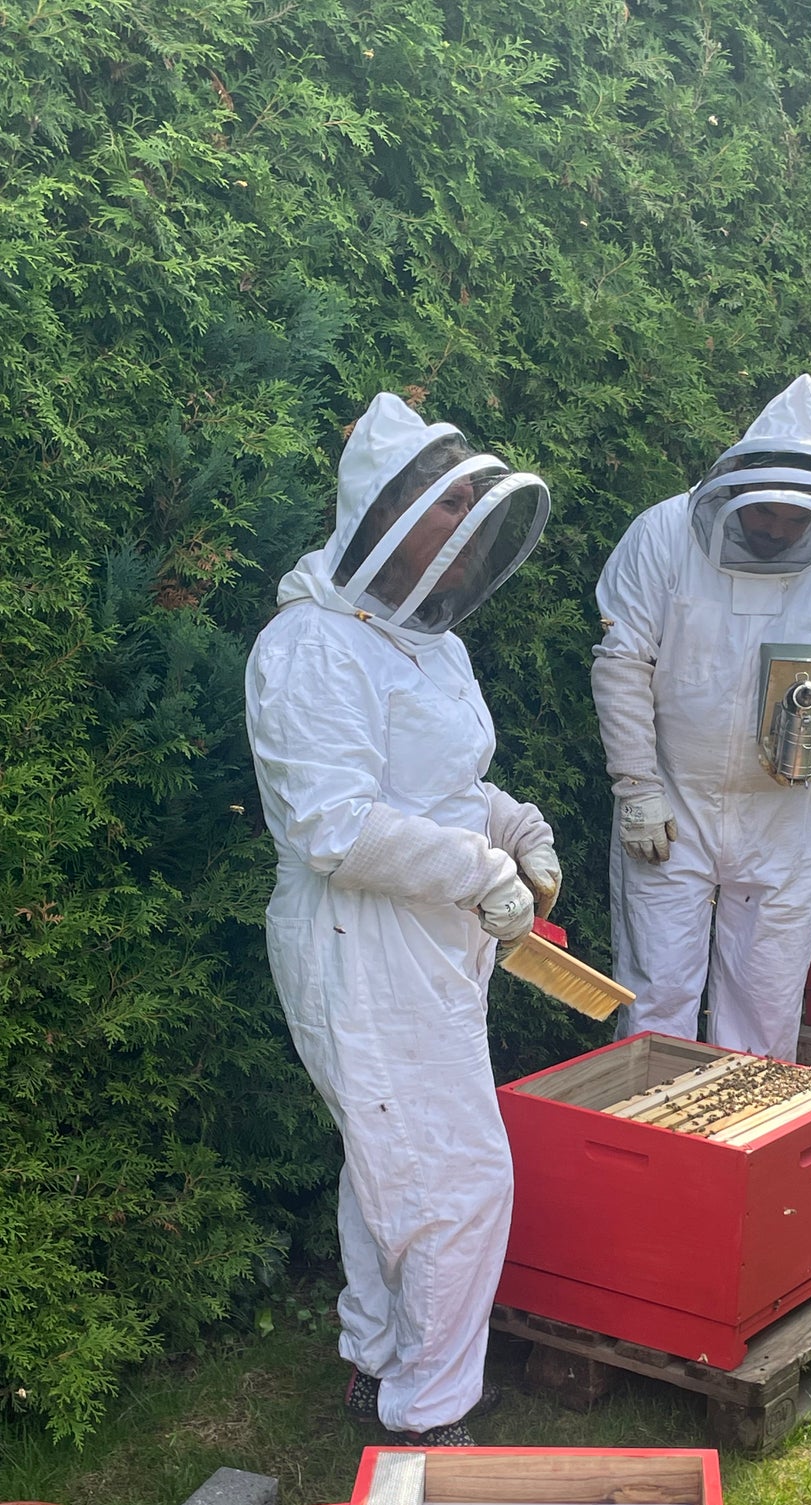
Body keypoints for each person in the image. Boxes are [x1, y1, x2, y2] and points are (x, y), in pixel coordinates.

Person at [246, 392, 558, 1445]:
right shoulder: (309, 647)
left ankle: (374, 1355)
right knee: (458, 1178)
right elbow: (331, 824)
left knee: (390, 1159)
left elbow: (446, 785)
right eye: (449, 507)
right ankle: (427, 1416)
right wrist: (480, 866)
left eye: (476, 505)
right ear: (385, 513)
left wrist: (520, 827)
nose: (467, 529)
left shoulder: (427, 640)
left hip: (432, 939)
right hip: (356, 942)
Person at [593, 375, 811, 1060]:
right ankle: (651, 1151)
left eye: (795, 522)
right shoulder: (663, 535)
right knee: (656, 996)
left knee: (766, 999)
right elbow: (622, 664)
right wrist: (637, 786)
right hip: (673, 801)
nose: (776, 532)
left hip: (781, 815)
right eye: (765, 517)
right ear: (734, 495)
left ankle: (742, 1159)